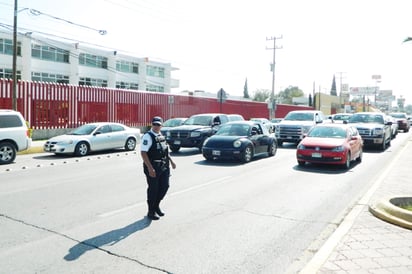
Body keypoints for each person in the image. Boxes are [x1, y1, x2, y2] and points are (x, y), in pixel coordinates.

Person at [140, 116, 176, 220]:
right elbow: (143, 153)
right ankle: (151, 211)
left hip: (164, 166)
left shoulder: (161, 135)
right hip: (153, 167)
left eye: (158, 125)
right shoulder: (148, 136)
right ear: (152, 124)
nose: (156, 126)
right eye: (154, 124)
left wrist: (172, 162)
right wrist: (150, 168)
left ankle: (156, 205)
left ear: (161, 125)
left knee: (165, 186)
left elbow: (164, 151)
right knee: (153, 190)